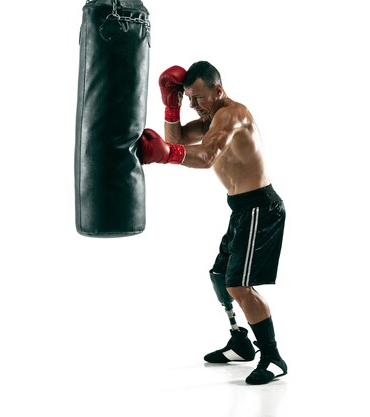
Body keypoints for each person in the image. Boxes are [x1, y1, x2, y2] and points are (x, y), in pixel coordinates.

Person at [138, 61, 288, 385]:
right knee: (220, 275)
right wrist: (171, 106)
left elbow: (206, 157)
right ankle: (240, 342)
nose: (194, 105)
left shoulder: (231, 115)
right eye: (188, 98)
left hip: (262, 208)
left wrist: (165, 155)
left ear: (218, 91)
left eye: (198, 98)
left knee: (239, 284)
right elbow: (175, 137)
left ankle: (273, 357)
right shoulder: (209, 118)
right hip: (241, 209)